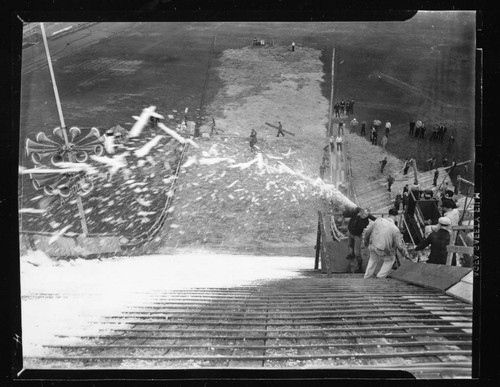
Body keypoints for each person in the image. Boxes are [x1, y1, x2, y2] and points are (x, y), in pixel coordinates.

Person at [363, 208, 410, 278]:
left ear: (388, 214)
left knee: (373, 259)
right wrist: (405, 254)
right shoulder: (395, 229)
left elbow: (367, 232)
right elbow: (399, 246)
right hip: (383, 249)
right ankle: (380, 277)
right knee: (391, 259)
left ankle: (366, 277)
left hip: (372, 245)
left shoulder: (378, 220)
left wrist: (366, 242)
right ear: (396, 217)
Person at [343, 207, 376, 273]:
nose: (364, 216)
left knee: (357, 251)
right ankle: (351, 255)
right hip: (350, 232)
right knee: (350, 245)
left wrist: (360, 217)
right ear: (361, 212)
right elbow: (345, 214)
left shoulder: (365, 221)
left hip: (357, 235)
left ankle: (359, 263)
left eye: (366, 215)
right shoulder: (355, 213)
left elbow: (360, 226)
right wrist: (352, 210)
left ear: (367, 215)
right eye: (363, 214)